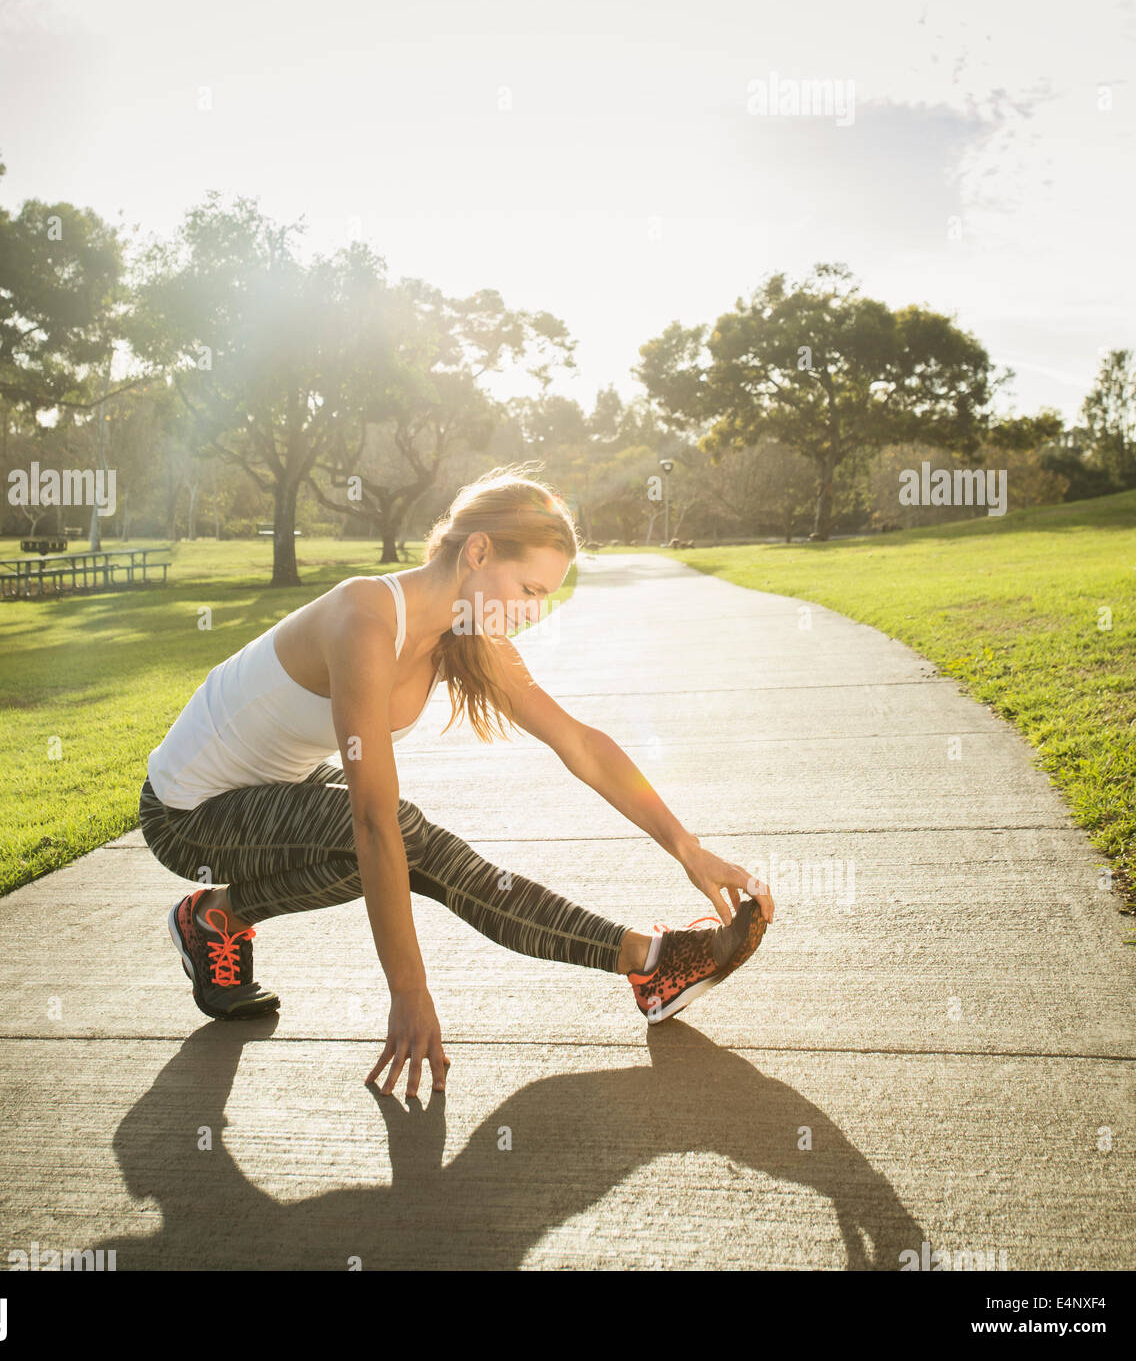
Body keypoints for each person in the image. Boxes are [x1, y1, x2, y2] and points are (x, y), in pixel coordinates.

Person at [138, 464, 774, 1098]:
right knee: (403, 835)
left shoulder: (467, 638)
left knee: (407, 849)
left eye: (544, 598)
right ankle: (648, 961)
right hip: (187, 815)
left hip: (271, 797)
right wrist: (409, 993)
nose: (533, 613)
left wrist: (687, 848)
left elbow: (579, 743)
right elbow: (372, 823)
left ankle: (214, 919)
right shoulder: (365, 620)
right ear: (477, 551)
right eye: (527, 589)